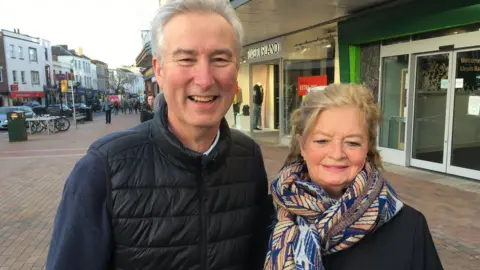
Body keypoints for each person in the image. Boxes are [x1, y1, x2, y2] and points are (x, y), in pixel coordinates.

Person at [46, 0, 272, 269]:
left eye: (220, 59)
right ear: (160, 71)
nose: (204, 79)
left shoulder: (248, 157)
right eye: (186, 59)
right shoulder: (102, 169)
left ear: (236, 70)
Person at [264, 84, 443, 270]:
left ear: (368, 147)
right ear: (303, 146)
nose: (337, 153)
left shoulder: (408, 227)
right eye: (322, 141)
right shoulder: (264, 215)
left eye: (352, 142)